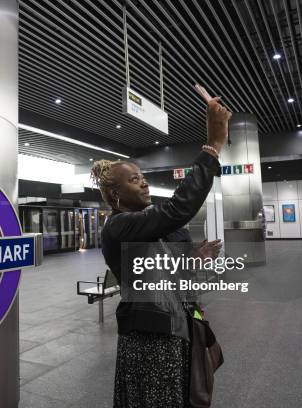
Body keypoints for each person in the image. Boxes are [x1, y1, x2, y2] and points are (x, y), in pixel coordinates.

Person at [90, 92, 231, 408]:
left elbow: (166, 265)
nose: (144, 184)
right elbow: (179, 209)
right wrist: (212, 146)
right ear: (115, 193)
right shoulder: (119, 226)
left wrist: (191, 258)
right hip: (150, 339)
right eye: (134, 180)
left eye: (143, 178)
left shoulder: (146, 226)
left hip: (175, 329)